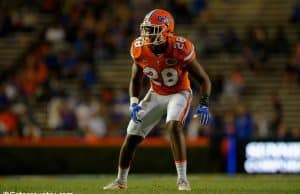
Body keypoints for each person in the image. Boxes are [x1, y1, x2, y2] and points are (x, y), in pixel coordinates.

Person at [103, 9, 211, 191]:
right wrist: (134, 101)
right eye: (146, 29)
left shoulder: (180, 48)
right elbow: (135, 79)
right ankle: (120, 181)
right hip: (155, 94)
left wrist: (204, 103)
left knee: (173, 124)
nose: (147, 34)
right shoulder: (138, 48)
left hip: (179, 93)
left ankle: (182, 179)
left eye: (152, 30)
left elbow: (203, 79)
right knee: (131, 136)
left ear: (166, 30)